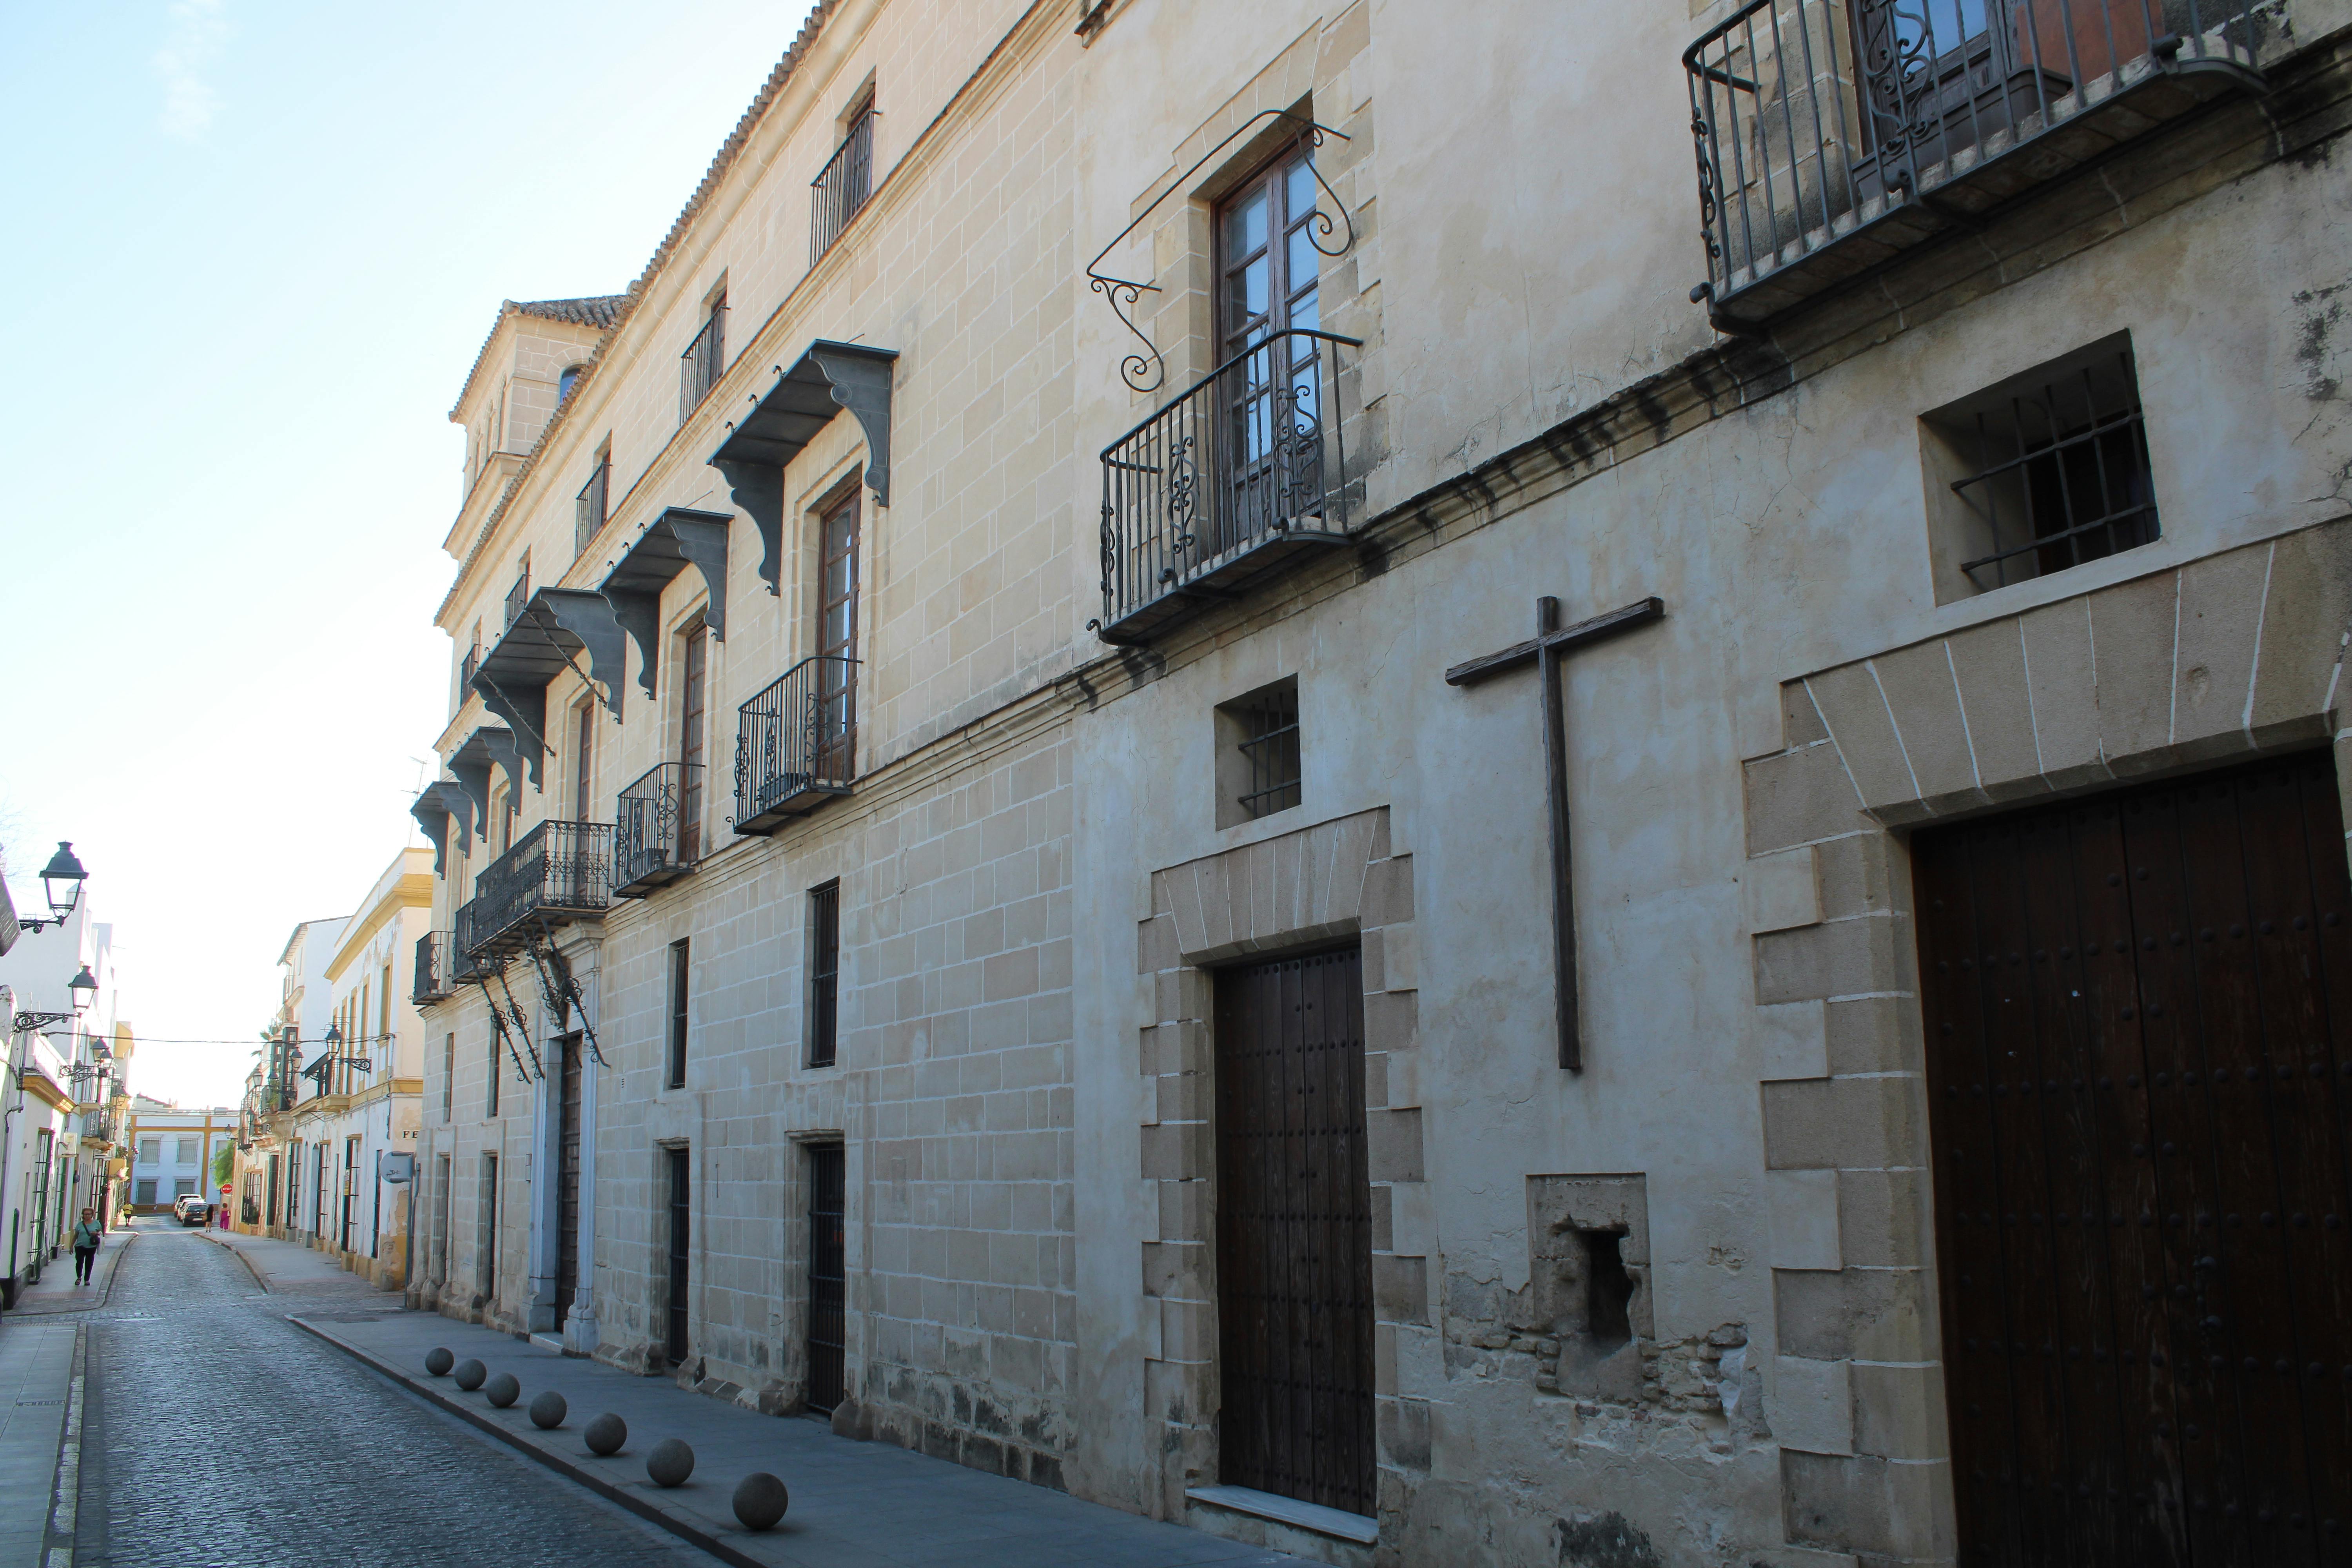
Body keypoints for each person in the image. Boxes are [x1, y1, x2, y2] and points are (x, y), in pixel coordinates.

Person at [71, 1208, 103, 1286]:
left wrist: (96, 1233)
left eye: (89, 1214)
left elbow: (101, 1233)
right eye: (86, 1214)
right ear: (83, 1215)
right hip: (80, 1246)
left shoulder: (96, 1224)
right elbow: (76, 1236)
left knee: (89, 1263)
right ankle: (79, 1277)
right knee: (79, 1262)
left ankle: (87, 1280)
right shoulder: (80, 1224)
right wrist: (71, 1246)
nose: (87, 1216)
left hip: (91, 1246)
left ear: (92, 1215)